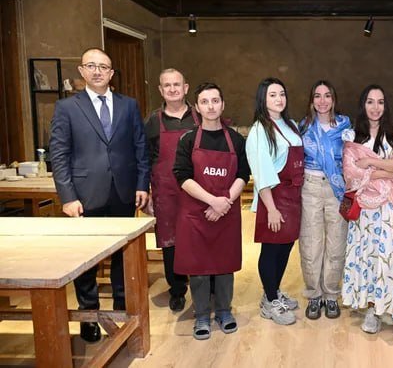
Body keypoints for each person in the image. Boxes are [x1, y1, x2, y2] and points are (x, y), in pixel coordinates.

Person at [49, 48, 150, 343]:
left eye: (103, 67)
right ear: (82, 71)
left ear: (111, 73)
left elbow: (140, 147)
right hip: (84, 195)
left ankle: (121, 309)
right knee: (86, 258)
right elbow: (59, 154)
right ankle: (89, 313)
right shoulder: (67, 107)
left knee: (122, 256)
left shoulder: (128, 105)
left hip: (123, 191)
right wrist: (67, 197)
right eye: (91, 66)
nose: (97, 71)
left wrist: (142, 184)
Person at [173, 82, 249, 340]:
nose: (211, 106)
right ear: (197, 107)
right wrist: (212, 201)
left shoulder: (236, 140)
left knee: (225, 265)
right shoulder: (188, 140)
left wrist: (224, 201)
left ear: (222, 104)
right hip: (197, 214)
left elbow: (243, 174)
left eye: (215, 101)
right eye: (205, 102)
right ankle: (202, 314)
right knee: (198, 267)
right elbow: (182, 176)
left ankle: (225, 311)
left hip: (226, 212)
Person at [341, 84, 393, 337]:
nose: (375, 107)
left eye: (380, 102)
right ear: (363, 105)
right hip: (365, 211)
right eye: (370, 101)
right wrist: (385, 170)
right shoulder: (353, 138)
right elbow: (351, 172)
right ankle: (372, 309)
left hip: (390, 208)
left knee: (392, 258)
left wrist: (371, 162)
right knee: (369, 258)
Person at [246, 77, 303, 326]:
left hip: (293, 197)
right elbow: (262, 171)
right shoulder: (260, 130)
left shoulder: (290, 125)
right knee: (271, 249)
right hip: (274, 197)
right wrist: (271, 208)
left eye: (282, 94)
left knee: (286, 247)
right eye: (272, 95)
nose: (279, 99)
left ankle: (274, 291)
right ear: (263, 98)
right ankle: (270, 301)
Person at [144, 68, 199, 313]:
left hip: (197, 189)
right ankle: (176, 289)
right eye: (167, 85)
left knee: (198, 237)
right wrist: (145, 191)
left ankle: (201, 287)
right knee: (170, 242)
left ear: (185, 88)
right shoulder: (152, 121)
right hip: (165, 191)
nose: (173, 89)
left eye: (177, 84)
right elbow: (144, 158)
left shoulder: (199, 116)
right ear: (161, 90)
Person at [298, 80, 351, 320]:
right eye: (317, 96)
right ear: (312, 100)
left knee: (336, 243)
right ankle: (313, 295)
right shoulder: (303, 127)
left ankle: (331, 295)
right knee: (311, 244)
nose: (322, 101)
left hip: (336, 189)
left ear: (333, 99)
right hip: (310, 187)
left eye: (327, 95)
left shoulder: (345, 126)